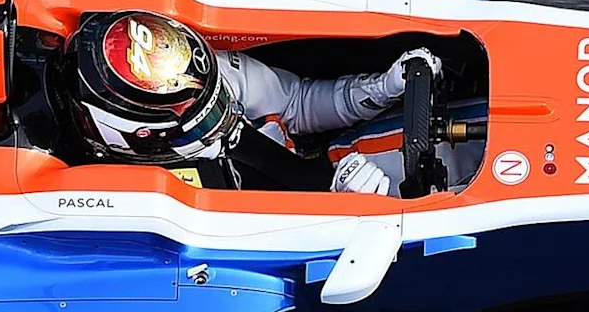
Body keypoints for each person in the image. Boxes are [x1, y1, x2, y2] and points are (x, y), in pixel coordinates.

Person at [60, 10, 442, 194]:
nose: (226, 119)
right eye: (206, 121)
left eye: (219, 98)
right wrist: (348, 210)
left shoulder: (200, 76)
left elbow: (298, 102)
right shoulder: (137, 192)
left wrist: (381, 88)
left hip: (329, 164)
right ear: (143, 136)